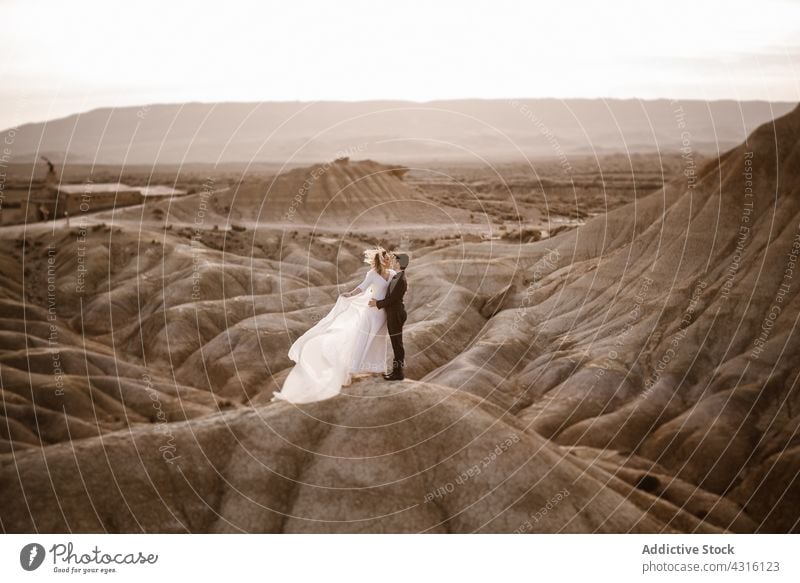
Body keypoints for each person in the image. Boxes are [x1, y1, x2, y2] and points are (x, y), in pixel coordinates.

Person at [271, 247, 396, 404]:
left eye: (388, 257)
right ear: (380, 260)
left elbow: (398, 290)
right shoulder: (372, 274)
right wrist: (348, 295)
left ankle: (377, 367)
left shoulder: (393, 274)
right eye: (385, 257)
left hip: (383, 311)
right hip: (371, 311)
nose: (388, 259)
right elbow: (362, 288)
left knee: (379, 339)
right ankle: (354, 368)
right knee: (364, 337)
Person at [369, 253, 409, 380]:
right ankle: (396, 372)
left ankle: (398, 373)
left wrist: (377, 303)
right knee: (396, 344)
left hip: (396, 314)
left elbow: (393, 299)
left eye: (396, 260)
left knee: (397, 344)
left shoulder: (401, 279)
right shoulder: (397, 276)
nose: (394, 261)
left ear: (400, 263)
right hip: (394, 313)